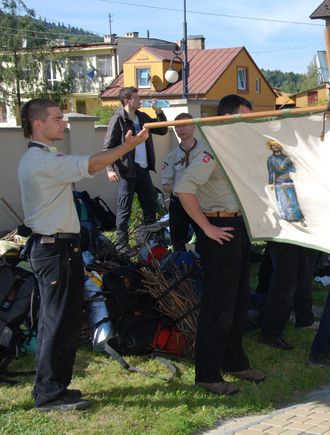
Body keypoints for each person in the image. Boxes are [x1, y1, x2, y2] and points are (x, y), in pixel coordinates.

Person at [17, 98, 149, 411]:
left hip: (61, 248)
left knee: (63, 321)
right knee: (56, 322)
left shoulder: (46, 155)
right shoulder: (40, 162)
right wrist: (127, 147)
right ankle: (49, 395)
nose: (64, 123)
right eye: (58, 118)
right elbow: (91, 163)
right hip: (53, 250)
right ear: (38, 124)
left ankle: (56, 388)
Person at [175, 94, 265, 395]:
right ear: (226, 118)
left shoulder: (234, 151)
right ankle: (208, 373)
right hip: (219, 231)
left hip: (237, 229)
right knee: (218, 306)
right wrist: (207, 228)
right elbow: (183, 189)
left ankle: (235, 362)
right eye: (244, 118)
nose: (247, 124)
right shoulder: (209, 152)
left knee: (239, 302)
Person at [104, 86, 168, 248]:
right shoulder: (118, 119)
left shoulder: (142, 117)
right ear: (127, 101)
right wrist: (110, 169)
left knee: (150, 206)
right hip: (127, 171)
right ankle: (122, 245)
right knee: (124, 208)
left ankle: (150, 241)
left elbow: (162, 129)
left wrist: (159, 113)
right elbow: (108, 147)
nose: (139, 100)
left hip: (143, 169)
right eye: (136, 98)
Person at [161, 113, 202, 251]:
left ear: (194, 126)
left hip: (202, 200)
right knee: (178, 240)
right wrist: (182, 190)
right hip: (179, 202)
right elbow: (165, 185)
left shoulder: (205, 151)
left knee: (205, 238)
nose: (181, 129)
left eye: (185, 125)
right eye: (177, 126)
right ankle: (182, 266)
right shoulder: (172, 156)